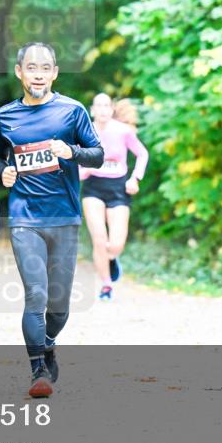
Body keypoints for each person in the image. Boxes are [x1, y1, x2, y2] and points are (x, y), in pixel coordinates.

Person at [0, 43, 104, 398]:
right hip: (24, 216)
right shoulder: (4, 117)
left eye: (45, 68)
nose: (38, 74)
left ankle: (48, 340)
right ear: (19, 72)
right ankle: (38, 369)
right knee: (35, 294)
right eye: (31, 67)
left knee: (59, 305)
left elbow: (98, 155)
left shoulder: (72, 111)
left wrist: (72, 151)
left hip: (64, 216)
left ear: (54, 73)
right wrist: (3, 172)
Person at [80, 94, 149, 301]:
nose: (102, 110)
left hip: (119, 188)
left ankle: (111, 258)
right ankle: (106, 285)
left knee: (116, 243)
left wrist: (135, 178)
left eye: (106, 106)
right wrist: (81, 171)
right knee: (99, 239)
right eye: (98, 106)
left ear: (111, 109)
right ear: (92, 110)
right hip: (93, 188)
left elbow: (142, 154)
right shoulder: (83, 131)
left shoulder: (123, 131)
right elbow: (74, 157)